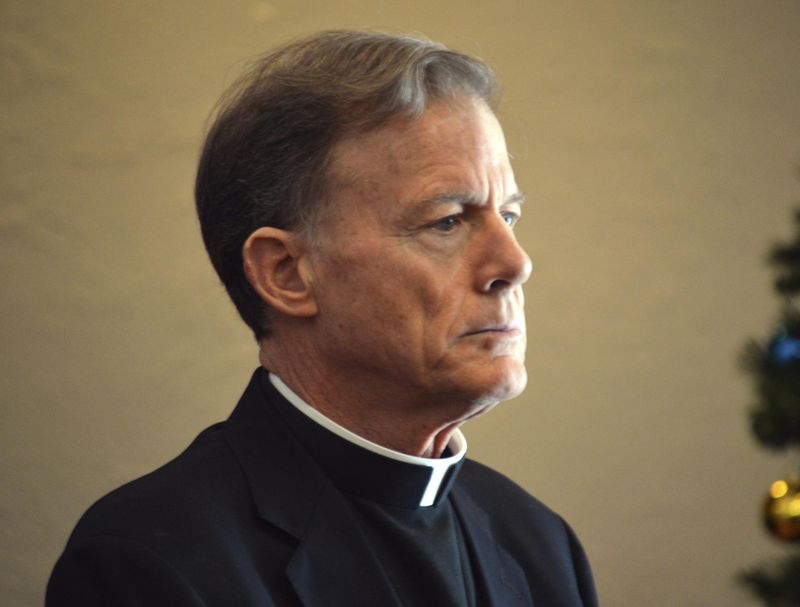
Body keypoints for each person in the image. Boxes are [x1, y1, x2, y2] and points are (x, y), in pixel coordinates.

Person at [47, 30, 599, 606]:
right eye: (446, 221)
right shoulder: (149, 564)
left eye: (507, 215)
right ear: (286, 272)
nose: (515, 263)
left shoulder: (540, 544)